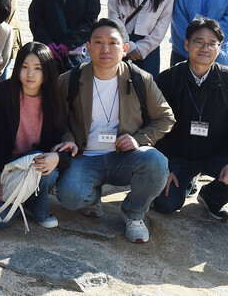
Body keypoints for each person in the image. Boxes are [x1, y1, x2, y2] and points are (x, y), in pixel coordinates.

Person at [53, 18, 174, 243]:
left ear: (125, 49)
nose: (105, 49)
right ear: (87, 48)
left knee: (157, 163)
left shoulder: (140, 78)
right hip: (85, 156)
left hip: (124, 157)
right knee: (70, 196)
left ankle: (134, 212)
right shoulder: (70, 79)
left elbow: (166, 117)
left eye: (113, 43)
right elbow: (57, 120)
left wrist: (139, 139)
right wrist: (68, 138)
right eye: (98, 42)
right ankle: (92, 198)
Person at [151, 18, 228, 220]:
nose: (205, 48)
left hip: (216, 154)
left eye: (212, 43)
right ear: (186, 44)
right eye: (198, 42)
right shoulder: (168, 78)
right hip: (178, 156)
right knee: (166, 205)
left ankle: (212, 197)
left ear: (220, 48)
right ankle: (185, 181)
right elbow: (156, 124)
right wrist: (164, 166)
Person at [0, 42, 70, 230]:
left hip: (33, 164)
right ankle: (10, 198)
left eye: (37, 68)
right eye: (25, 67)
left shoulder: (54, 99)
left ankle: (36, 206)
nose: (30, 74)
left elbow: (60, 138)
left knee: (49, 171)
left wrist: (57, 157)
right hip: (3, 166)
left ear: (47, 71)